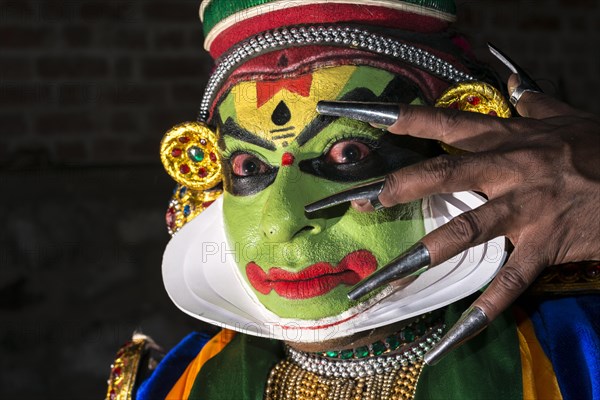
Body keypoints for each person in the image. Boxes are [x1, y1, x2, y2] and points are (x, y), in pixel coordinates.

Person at [106, 1, 599, 399]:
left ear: (456, 158)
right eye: (248, 167)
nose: (281, 223)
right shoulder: (171, 385)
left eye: (348, 153)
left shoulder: (575, 351)